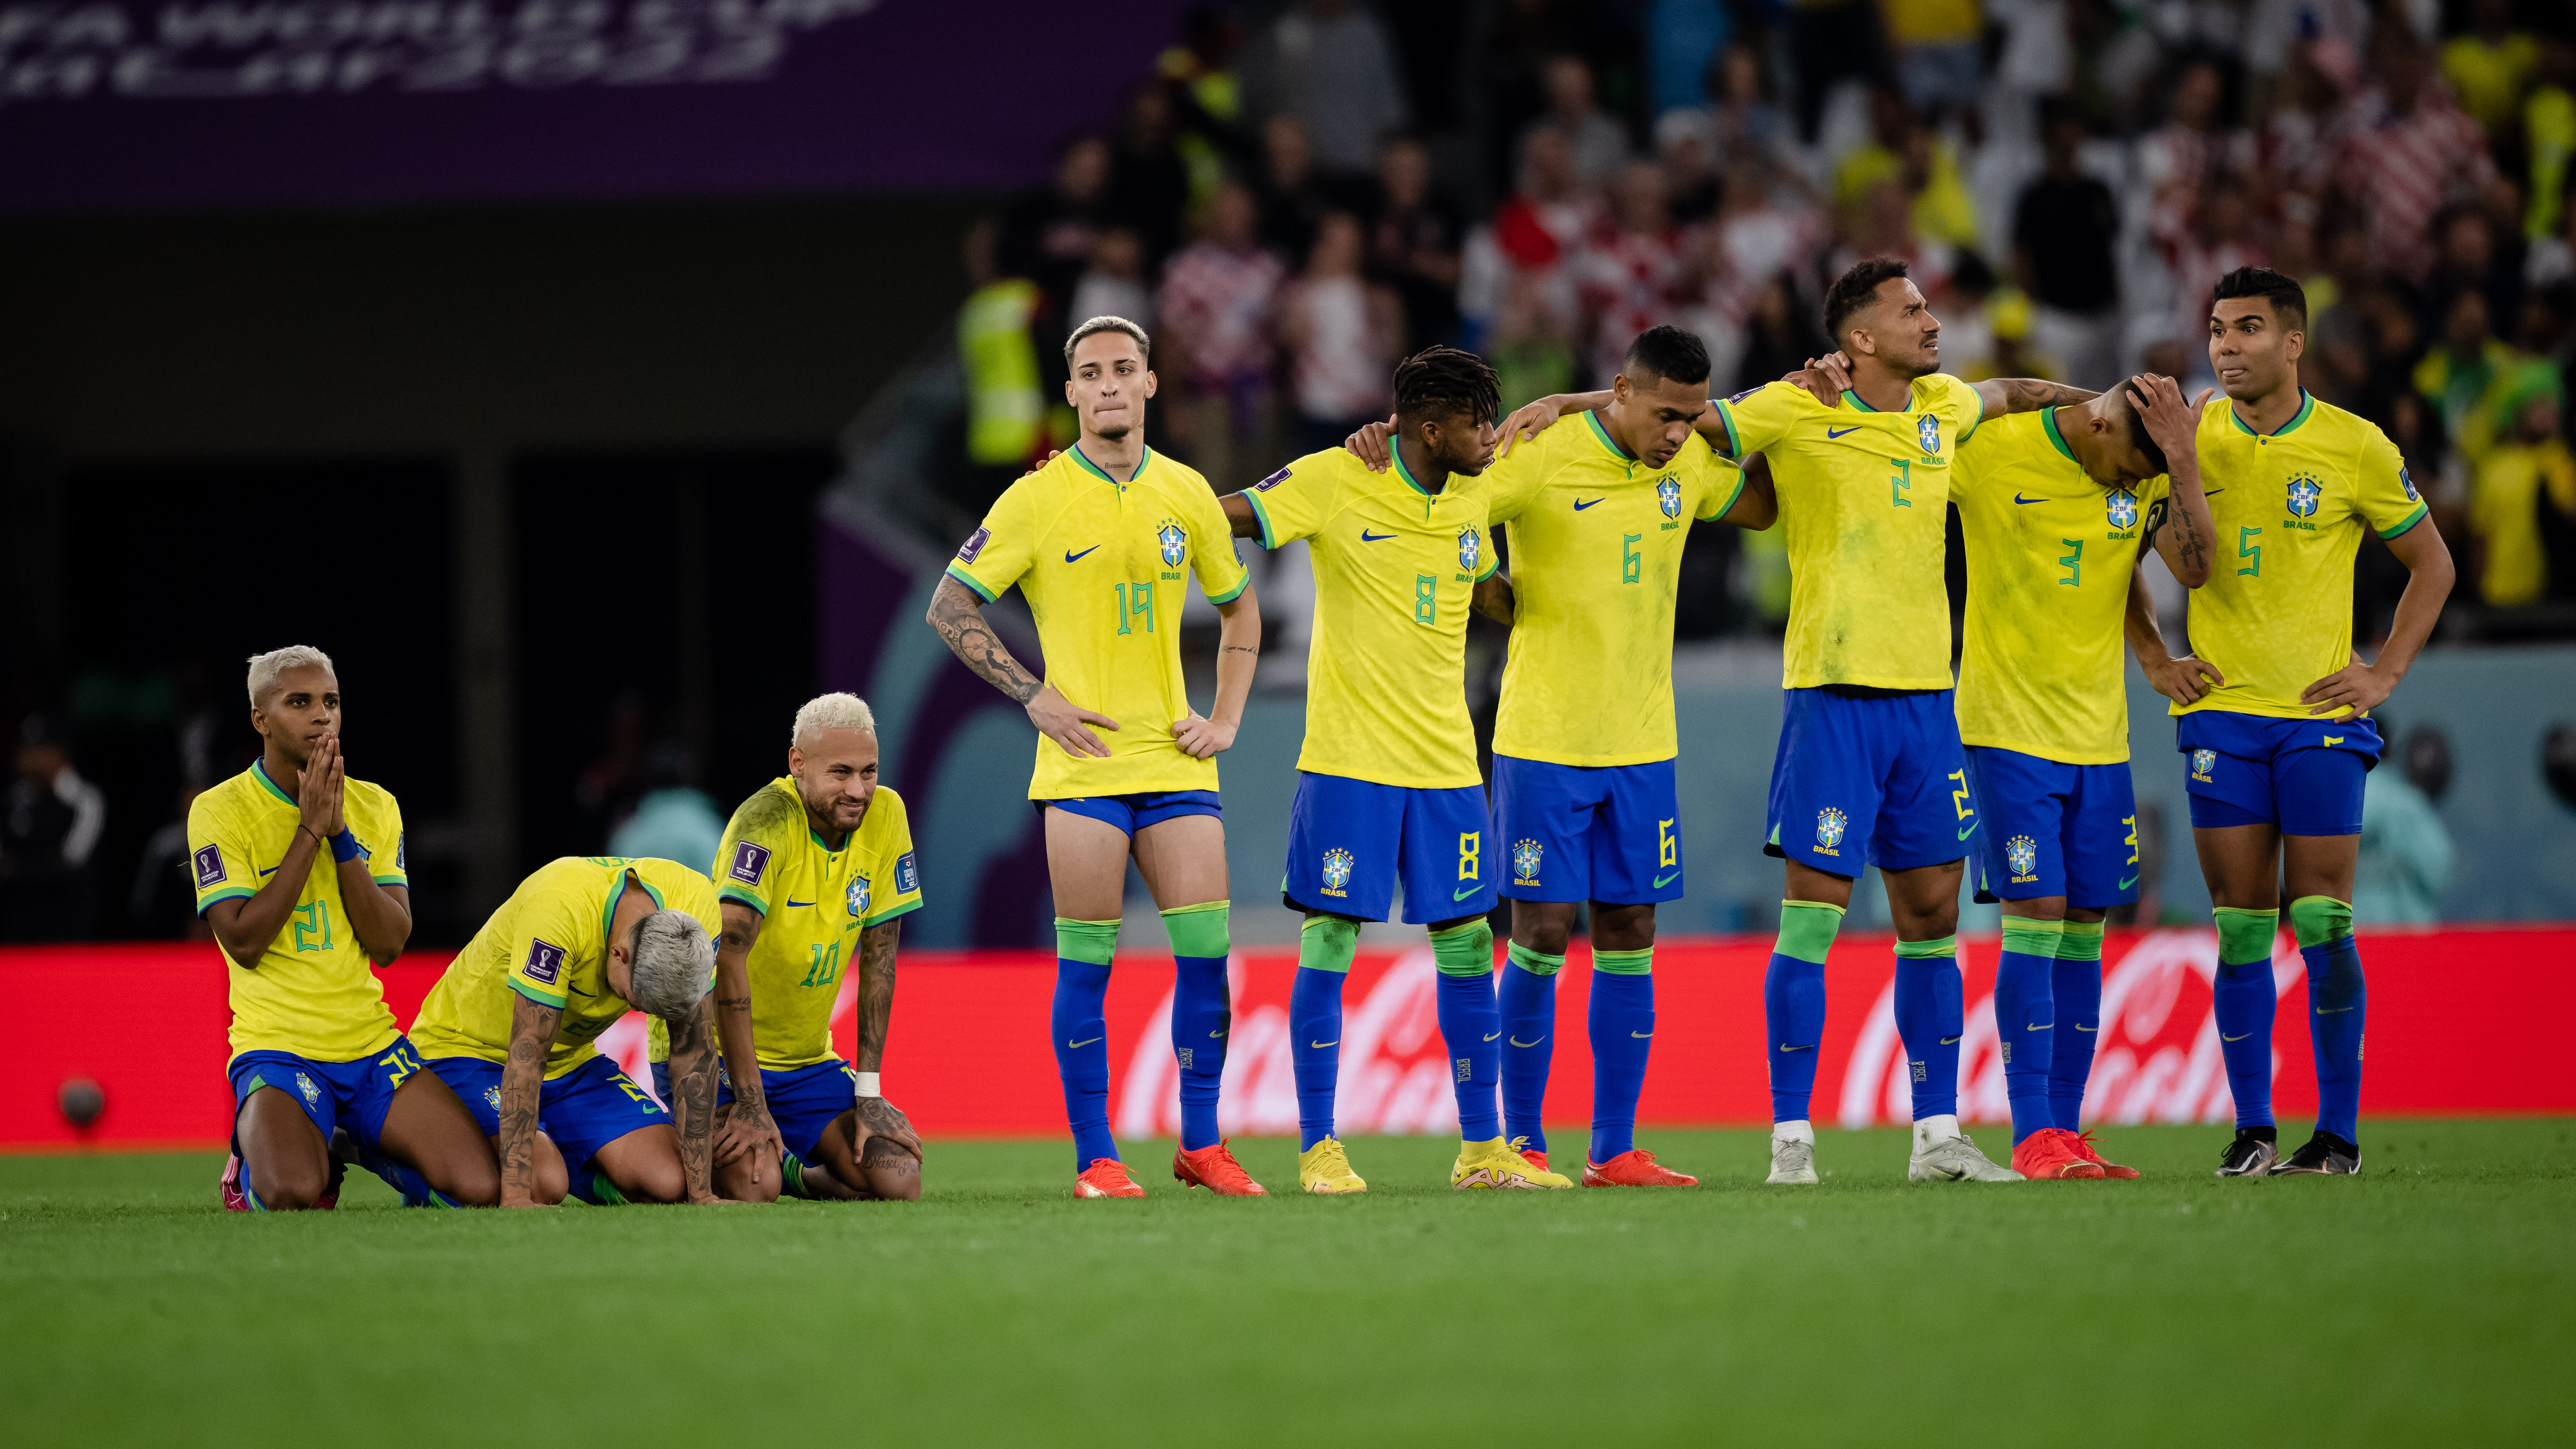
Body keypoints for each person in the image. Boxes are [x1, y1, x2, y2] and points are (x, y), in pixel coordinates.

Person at [1345, 326, 1780, 1187]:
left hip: (1644, 744)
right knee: (1541, 932)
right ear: (1622, 388)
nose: (1677, 434)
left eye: (1692, 417)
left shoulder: (1687, 464)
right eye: (1664, 413)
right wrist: (1485, 586)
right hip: (1542, 740)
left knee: (1632, 930)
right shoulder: (1540, 455)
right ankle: (1523, 1142)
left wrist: (1700, 426)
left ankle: (1613, 1147)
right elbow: (1449, 509)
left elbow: (1766, 505)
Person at [1701, 256, 2095, 1186]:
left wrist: (2124, 397)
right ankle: (1790, 1142)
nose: (1930, 320)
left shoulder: (1942, 407)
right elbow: (1681, 422)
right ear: (1858, 337)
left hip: (1926, 704)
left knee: (1931, 918)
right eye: (1909, 310)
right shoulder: (1794, 407)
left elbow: (2011, 391)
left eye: (1927, 306)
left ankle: (1937, 1137)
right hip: (1832, 696)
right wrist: (1570, 405)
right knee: (1813, 919)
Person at [925, 314, 1265, 1199]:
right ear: (1070, 392)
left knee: (1207, 958)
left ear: (1151, 384)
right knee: (1089, 969)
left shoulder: (1188, 493)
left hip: (1176, 762)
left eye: (1125, 368)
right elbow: (950, 607)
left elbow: (1241, 607)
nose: (1109, 383)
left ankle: (1201, 1144)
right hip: (1081, 772)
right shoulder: (1034, 500)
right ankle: (1097, 1159)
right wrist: (1033, 694)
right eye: (1091, 372)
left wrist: (1223, 720)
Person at [1219, 345, 1558, 1194]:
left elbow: (1481, 584)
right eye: (1478, 422)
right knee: (1331, 938)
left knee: (1468, 944)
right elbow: (1226, 513)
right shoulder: (1338, 478)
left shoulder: (1473, 495)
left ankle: (1482, 1152)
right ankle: (1318, 1149)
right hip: (1348, 763)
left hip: (1446, 765)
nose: (1490, 436)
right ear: (1429, 428)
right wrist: (1131, 491)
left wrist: (1532, 598)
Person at [2148, 266, 2456, 1177]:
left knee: (2321, 919)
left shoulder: (2354, 447)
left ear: (2292, 343)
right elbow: (2129, 549)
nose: (2225, 346)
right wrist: (2153, 658)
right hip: (2222, 720)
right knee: (2241, 930)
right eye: (2214, 329)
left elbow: (2430, 565)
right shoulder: (2188, 436)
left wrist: (2383, 671)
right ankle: (2251, 1130)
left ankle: (2336, 1136)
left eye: (2246, 328)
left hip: (2316, 719)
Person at [1950, 372, 2215, 1179]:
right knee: (2035, 913)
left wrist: (2153, 657)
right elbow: (1921, 429)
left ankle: (2066, 1132)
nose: (2137, 491)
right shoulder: (1993, 453)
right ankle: (2030, 1131)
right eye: (2133, 473)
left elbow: (2179, 567)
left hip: (2100, 739)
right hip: (2005, 728)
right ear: (2099, 428)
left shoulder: (2143, 475)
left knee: (2088, 923)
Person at [191, 646, 496, 1211]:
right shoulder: (221, 809)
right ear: (261, 720)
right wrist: (308, 830)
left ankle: (349, 1137)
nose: (321, 715)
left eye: (330, 701)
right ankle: (252, 1158)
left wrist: (338, 836)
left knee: (480, 1189)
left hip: (371, 1047)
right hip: (278, 1048)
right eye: (299, 702)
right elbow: (245, 942)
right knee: (291, 1193)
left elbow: (389, 944)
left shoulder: (376, 806)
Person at [648, 694, 925, 1202]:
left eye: (869, 772)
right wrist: (750, 1101)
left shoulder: (887, 814)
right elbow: (726, 960)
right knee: (755, 1187)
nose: (858, 790)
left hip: (804, 1063)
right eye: (840, 773)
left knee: (898, 1177)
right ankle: (667, 1143)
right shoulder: (765, 822)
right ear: (798, 763)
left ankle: (793, 1167)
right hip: (717, 1059)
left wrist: (868, 1093)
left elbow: (880, 962)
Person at [409, 855, 730, 1206]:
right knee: (542, 1185)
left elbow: (693, 1049)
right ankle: (396, 1156)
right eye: (634, 1001)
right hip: (467, 1050)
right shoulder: (560, 910)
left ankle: (554, 1148)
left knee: (669, 1182)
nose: (636, 1011)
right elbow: (528, 1052)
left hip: (569, 1061)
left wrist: (702, 1195)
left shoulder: (695, 903)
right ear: (619, 954)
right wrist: (516, 1195)